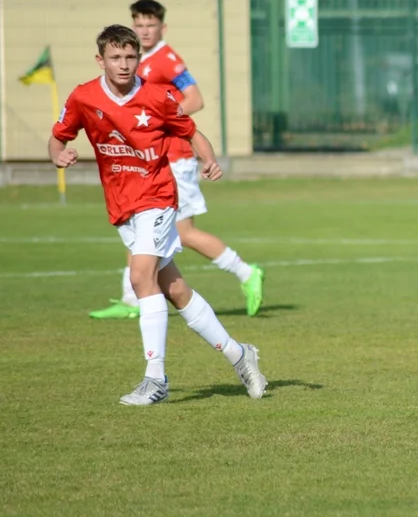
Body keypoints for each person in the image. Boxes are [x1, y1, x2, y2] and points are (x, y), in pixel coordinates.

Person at [50, 24, 267, 405]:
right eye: (115, 57)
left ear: (139, 58)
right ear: (100, 60)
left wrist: (210, 159)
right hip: (122, 206)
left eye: (130, 57)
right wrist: (58, 154)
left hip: (158, 197)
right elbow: (59, 136)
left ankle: (156, 379)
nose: (123, 64)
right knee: (174, 290)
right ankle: (239, 355)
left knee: (139, 277)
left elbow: (192, 132)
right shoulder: (84, 97)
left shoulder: (157, 96)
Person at [90, 0, 264, 320]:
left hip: (175, 157)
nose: (144, 30)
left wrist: (162, 117)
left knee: (184, 232)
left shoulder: (168, 60)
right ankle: (131, 298)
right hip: (150, 158)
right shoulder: (135, 59)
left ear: (162, 27)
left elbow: (195, 98)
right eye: (138, 24)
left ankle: (246, 272)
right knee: (138, 222)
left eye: (150, 25)